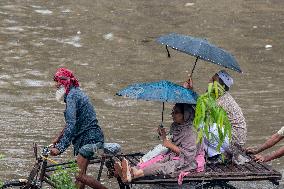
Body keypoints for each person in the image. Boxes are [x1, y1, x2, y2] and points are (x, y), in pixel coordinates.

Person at [114, 103, 204, 183]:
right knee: (155, 160)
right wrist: (163, 136)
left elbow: (188, 155)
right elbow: (170, 141)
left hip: (188, 161)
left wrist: (168, 144)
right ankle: (129, 171)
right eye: (172, 112)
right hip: (174, 155)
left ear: (186, 114)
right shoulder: (175, 125)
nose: (172, 114)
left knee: (161, 167)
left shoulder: (192, 132)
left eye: (176, 112)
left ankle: (134, 174)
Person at [50, 68, 107, 189]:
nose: (56, 85)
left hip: (90, 139)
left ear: (66, 82)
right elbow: (71, 122)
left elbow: (71, 124)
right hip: (91, 137)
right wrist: (58, 137)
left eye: (58, 82)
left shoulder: (71, 96)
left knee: (79, 176)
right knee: (80, 180)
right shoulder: (75, 93)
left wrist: (59, 148)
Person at [184, 70, 247, 158]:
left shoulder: (222, 100)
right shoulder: (218, 96)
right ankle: (214, 153)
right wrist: (191, 90)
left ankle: (217, 155)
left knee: (200, 125)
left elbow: (200, 111)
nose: (209, 81)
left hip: (233, 143)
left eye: (213, 80)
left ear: (220, 86)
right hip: (229, 139)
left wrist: (188, 92)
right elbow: (201, 104)